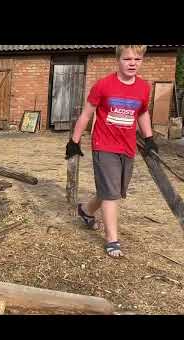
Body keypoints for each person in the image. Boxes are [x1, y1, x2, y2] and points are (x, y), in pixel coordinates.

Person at [65, 45, 159, 258]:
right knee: (111, 193)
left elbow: (143, 113)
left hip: (127, 147)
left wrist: (149, 138)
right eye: (127, 59)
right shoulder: (104, 85)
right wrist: (74, 141)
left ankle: (86, 210)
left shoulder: (143, 88)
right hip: (104, 145)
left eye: (137, 59)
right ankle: (112, 239)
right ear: (118, 60)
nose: (132, 63)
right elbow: (87, 114)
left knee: (113, 190)